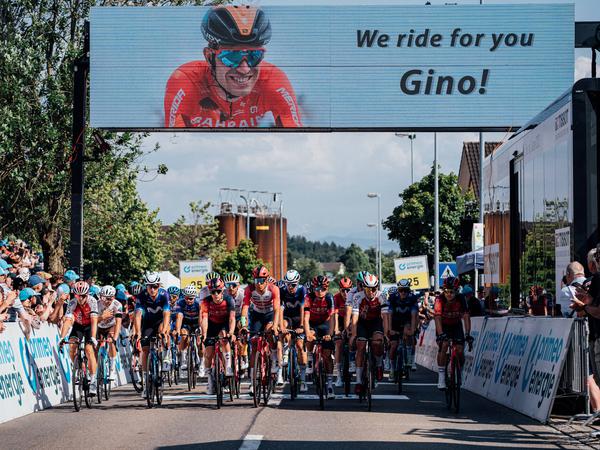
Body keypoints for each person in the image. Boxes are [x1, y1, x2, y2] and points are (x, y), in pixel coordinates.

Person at [164, 4, 302, 129]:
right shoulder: (185, 80)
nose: (245, 69)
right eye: (231, 57)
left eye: (254, 56)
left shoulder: (273, 80)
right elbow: (174, 139)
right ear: (208, 56)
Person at [241, 265, 281, 397]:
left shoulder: (274, 289)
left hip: (269, 314)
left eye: (262, 281)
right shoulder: (249, 289)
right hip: (257, 315)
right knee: (253, 345)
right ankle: (253, 381)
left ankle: (274, 358)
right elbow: (245, 308)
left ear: (267, 279)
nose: (259, 284)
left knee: (270, 331)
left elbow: (276, 309)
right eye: (256, 280)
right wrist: (243, 325)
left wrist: (275, 326)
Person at [133, 272, 171, 399]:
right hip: (148, 322)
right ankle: (145, 382)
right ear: (147, 286)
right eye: (150, 286)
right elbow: (137, 315)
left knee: (162, 333)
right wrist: (138, 332)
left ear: (159, 285)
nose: (153, 289)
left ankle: (165, 357)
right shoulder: (141, 296)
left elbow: (166, 314)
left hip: (160, 321)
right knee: (145, 350)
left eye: (155, 286)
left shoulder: (164, 294)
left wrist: (165, 331)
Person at [350, 273, 388, 394]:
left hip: (376, 321)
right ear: (363, 287)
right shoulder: (357, 296)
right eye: (367, 289)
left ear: (377, 288)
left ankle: (378, 364)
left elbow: (385, 316)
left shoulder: (382, 296)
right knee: (360, 346)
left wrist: (386, 333)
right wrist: (353, 335)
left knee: (377, 342)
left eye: (373, 289)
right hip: (362, 322)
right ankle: (359, 381)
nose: (371, 292)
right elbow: (354, 318)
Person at [59, 281, 99, 395]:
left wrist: (93, 337)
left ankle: (93, 381)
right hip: (78, 326)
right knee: (72, 345)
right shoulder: (72, 303)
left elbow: (94, 320)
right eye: (78, 296)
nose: (80, 298)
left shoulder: (92, 301)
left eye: (83, 296)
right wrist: (62, 337)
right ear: (74, 295)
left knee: (88, 349)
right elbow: (67, 321)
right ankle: (78, 368)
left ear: (87, 294)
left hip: (89, 326)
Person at [434, 276, 472, 390]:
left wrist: (467, 334)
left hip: (456, 325)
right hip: (443, 326)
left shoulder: (461, 299)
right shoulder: (439, 299)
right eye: (446, 291)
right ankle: (441, 377)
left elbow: (466, 316)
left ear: (457, 291)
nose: (448, 294)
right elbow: (437, 318)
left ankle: (459, 371)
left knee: (460, 350)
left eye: (451, 292)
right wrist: (440, 334)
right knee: (444, 345)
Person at [200, 277, 236, 395]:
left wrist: (231, 332)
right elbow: (204, 319)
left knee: (224, 338)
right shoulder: (205, 301)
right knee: (208, 353)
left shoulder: (229, 299)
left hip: (224, 324)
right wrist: (204, 334)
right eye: (213, 292)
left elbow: (232, 318)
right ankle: (210, 379)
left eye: (218, 291)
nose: (216, 294)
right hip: (211, 325)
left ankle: (228, 366)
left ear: (222, 291)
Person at [304, 275, 337, 399]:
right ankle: (310, 359)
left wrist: (331, 333)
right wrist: (307, 333)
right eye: (317, 288)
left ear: (327, 289)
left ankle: (329, 385)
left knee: (327, 355)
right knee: (310, 336)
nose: (319, 291)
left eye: (322, 289)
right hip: (312, 323)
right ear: (313, 288)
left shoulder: (329, 298)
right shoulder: (309, 297)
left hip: (325, 324)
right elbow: (305, 318)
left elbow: (333, 318)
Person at [279, 269, 307, 389]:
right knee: (284, 328)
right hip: (287, 317)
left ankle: (303, 380)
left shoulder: (302, 290)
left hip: (298, 318)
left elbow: (303, 309)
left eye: (293, 285)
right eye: (288, 284)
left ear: (298, 283)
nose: (290, 287)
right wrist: (280, 325)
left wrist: (301, 326)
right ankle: (286, 351)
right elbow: (280, 309)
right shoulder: (282, 290)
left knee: (300, 346)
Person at [387, 278, 419, 379]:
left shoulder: (413, 298)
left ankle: (409, 358)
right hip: (395, 322)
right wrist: (389, 329)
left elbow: (414, 315)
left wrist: (413, 330)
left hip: (407, 320)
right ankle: (392, 369)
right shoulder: (393, 298)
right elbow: (389, 315)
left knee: (409, 332)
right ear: (398, 290)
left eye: (406, 290)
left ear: (409, 290)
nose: (403, 292)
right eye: (401, 290)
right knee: (393, 346)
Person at [96, 285, 123, 380]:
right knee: (95, 346)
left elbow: (119, 322)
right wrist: (102, 317)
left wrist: (115, 338)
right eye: (104, 298)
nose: (106, 301)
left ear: (113, 297)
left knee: (111, 341)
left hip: (111, 326)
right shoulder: (96, 304)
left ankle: (112, 369)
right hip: (99, 326)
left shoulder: (117, 305)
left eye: (109, 299)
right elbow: (92, 321)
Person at [173, 285, 202, 372]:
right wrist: (177, 330)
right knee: (183, 334)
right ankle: (184, 358)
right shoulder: (180, 303)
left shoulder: (198, 303)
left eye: (191, 298)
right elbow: (179, 317)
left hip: (197, 323)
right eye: (187, 298)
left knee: (199, 341)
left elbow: (201, 317)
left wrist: (200, 328)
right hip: (186, 323)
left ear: (194, 297)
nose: (189, 300)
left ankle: (202, 362)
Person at [224, 272, 248, 371]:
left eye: (233, 285)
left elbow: (245, 310)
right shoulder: (223, 293)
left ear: (238, 285)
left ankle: (244, 356)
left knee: (243, 330)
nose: (231, 288)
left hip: (240, 315)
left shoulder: (242, 294)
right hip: (227, 317)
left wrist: (243, 324)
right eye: (228, 285)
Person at [333, 276, 352, 387]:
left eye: (348, 290)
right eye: (343, 290)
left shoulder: (353, 297)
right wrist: (336, 330)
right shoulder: (336, 298)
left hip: (350, 320)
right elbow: (335, 315)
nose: (345, 293)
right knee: (339, 344)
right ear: (339, 290)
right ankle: (339, 376)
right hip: (339, 321)